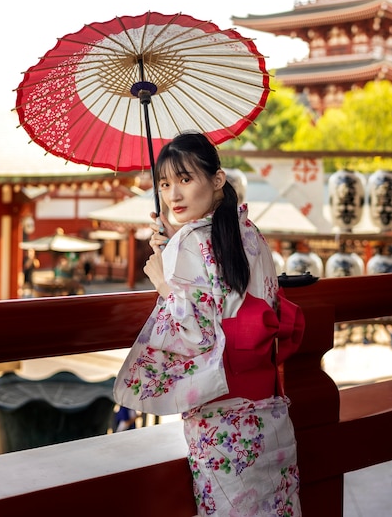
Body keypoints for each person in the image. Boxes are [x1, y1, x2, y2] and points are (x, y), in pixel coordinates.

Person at [114, 132, 304, 516]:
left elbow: (198, 334)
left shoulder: (186, 244)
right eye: (165, 184)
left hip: (220, 414)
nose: (173, 196)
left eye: (185, 180)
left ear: (217, 179)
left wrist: (164, 280)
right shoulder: (251, 232)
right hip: (268, 407)